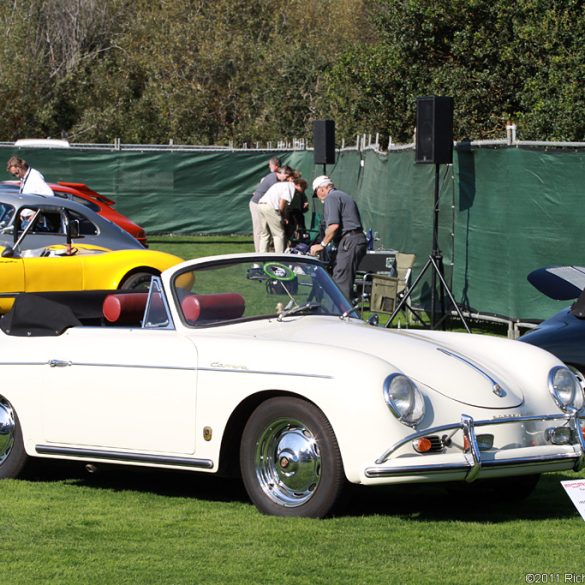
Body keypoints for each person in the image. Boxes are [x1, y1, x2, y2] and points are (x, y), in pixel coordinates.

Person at [310, 176, 367, 300]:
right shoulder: (341, 195)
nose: (318, 196)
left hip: (349, 241)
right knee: (342, 278)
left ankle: (343, 314)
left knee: (341, 281)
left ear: (322, 189)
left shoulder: (331, 197)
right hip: (354, 240)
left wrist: (322, 245)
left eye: (316, 192)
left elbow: (334, 226)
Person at [258, 176, 306, 254]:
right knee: (279, 234)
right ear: (299, 184)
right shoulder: (291, 187)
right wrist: (283, 216)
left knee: (265, 234)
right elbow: (282, 202)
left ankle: (261, 257)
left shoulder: (282, 184)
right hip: (270, 207)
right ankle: (280, 258)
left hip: (261, 205)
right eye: (304, 188)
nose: (303, 191)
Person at [249, 157, 289, 252]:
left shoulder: (276, 178)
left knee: (266, 231)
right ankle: (258, 254)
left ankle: (266, 252)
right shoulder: (273, 178)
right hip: (257, 204)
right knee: (260, 231)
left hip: (263, 204)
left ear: (276, 166)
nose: (269, 166)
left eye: (270, 165)